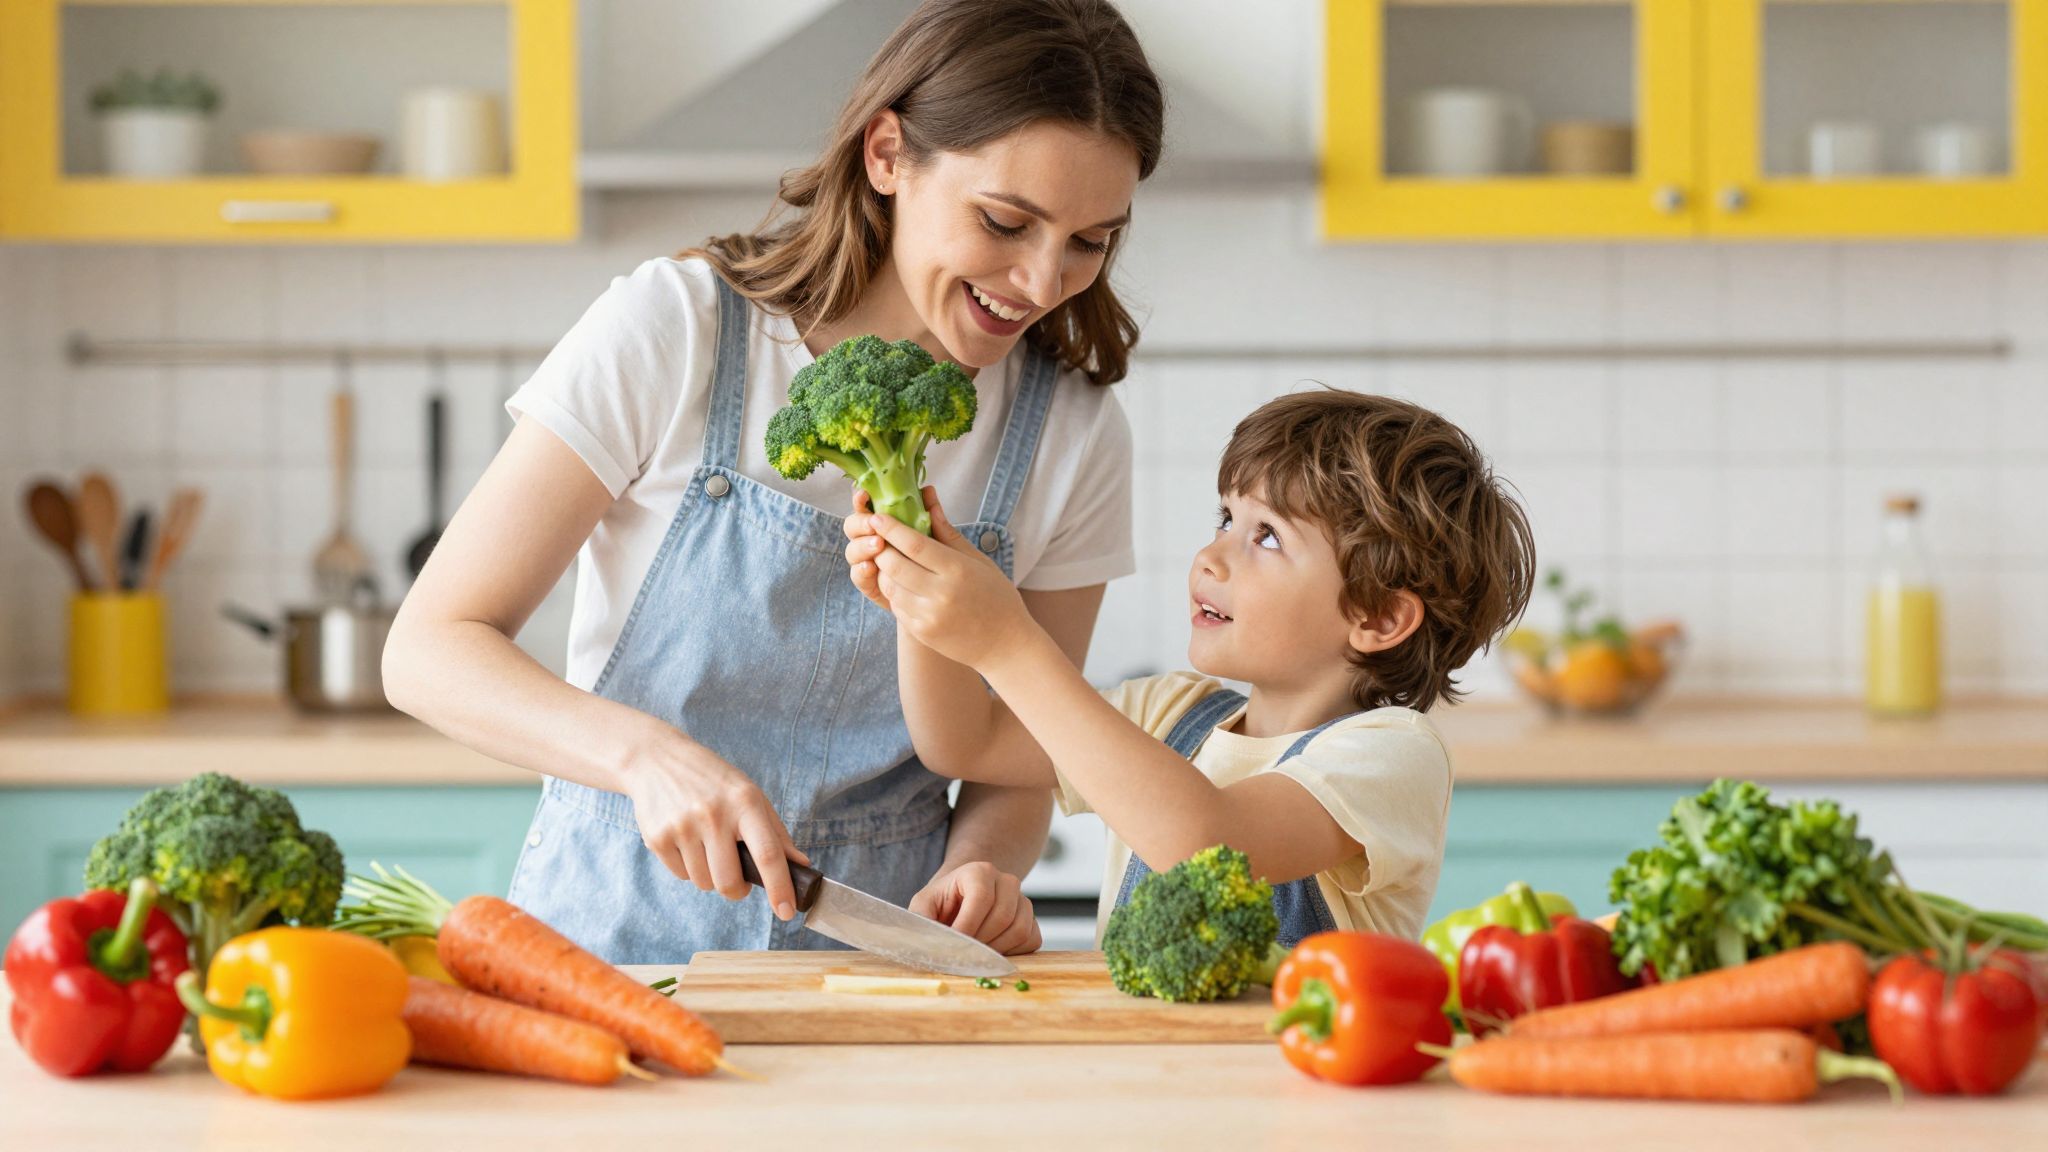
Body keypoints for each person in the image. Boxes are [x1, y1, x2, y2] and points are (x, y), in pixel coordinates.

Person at [382, 0, 1163, 962]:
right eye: (1006, 221)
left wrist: (987, 864)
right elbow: (426, 650)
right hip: (608, 954)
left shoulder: (1073, 434)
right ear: (887, 155)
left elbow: (1023, 749)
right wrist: (645, 758)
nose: (1044, 282)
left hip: (878, 974)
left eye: (1091, 241)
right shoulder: (679, 329)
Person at [844, 390, 1536, 944]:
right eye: (1225, 518)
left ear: (1378, 617)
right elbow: (964, 741)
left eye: (1266, 536)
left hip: (1302, 1105)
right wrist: (917, 592)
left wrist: (1008, 643)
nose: (1212, 556)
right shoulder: (1168, 713)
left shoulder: (1391, 756)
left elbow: (1207, 842)